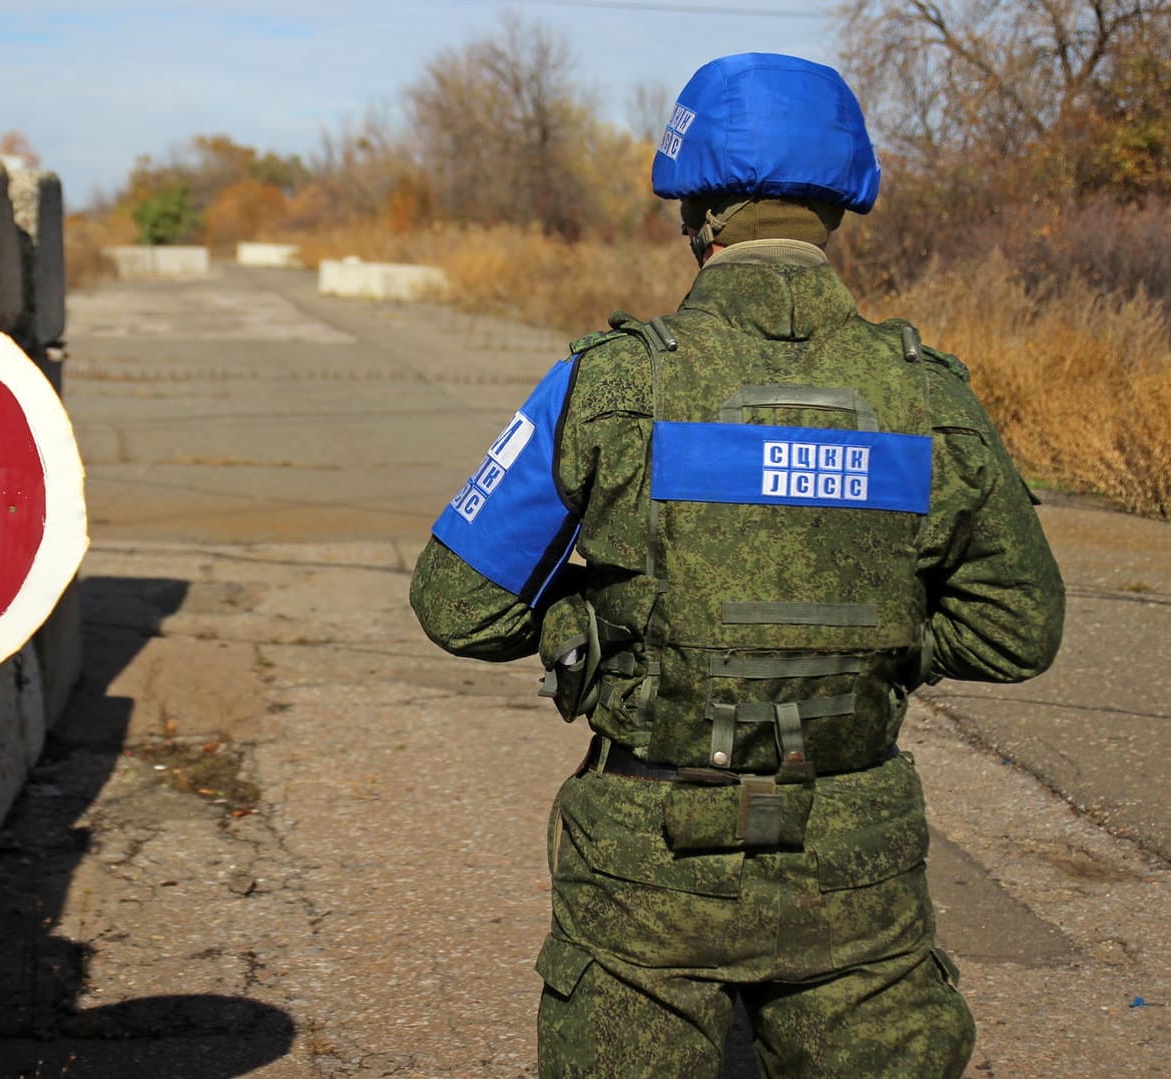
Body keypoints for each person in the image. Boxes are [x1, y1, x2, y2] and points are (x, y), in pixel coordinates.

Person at [408, 52, 1064, 1079]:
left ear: (695, 209)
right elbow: (1015, 626)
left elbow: (458, 603)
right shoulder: (930, 398)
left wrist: (599, 624)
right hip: (856, 873)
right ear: (839, 211)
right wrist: (866, 631)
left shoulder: (613, 381)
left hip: (647, 870)